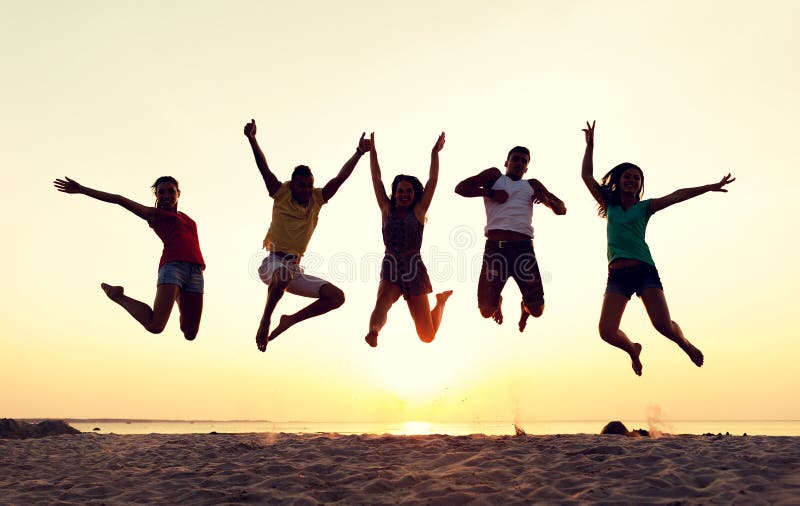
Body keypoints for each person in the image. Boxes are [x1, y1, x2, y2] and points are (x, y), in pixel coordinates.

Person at [580, 120, 735, 376]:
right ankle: (633, 350)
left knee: (662, 325)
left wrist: (709, 187)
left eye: (636, 178)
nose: (632, 180)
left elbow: (677, 194)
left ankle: (685, 343)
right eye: (627, 176)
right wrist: (590, 145)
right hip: (617, 275)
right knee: (606, 332)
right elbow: (586, 176)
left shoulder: (645, 207)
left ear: (640, 185)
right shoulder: (609, 206)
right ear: (618, 181)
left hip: (644, 271)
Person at [244, 119, 370, 351]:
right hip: (272, 263)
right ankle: (265, 321)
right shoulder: (280, 192)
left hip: (294, 269)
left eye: (309, 184)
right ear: (292, 184)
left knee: (336, 297)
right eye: (301, 185)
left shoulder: (317, 199)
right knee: (281, 274)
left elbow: (339, 179)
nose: (305, 189)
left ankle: (290, 320)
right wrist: (253, 140)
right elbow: (264, 168)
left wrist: (359, 153)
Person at [53, 176, 205, 340]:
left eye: (171, 191)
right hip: (173, 268)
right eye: (161, 192)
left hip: (196, 272)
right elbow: (118, 199)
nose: (166, 195)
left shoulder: (187, 219)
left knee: (190, 333)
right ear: (156, 196)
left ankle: (176, 294)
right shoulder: (154, 214)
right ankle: (117, 295)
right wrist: (82, 189)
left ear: (178, 193)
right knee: (156, 326)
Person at [454, 145, 566, 331]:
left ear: (527, 168)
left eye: (524, 161)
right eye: (515, 159)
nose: (519, 163)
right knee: (485, 311)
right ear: (506, 162)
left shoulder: (532, 184)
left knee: (537, 310)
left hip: (523, 250)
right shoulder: (494, 176)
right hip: (496, 249)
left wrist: (546, 200)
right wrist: (489, 192)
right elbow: (460, 188)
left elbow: (562, 209)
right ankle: (497, 301)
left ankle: (525, 308)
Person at [364, 132, 453, 348]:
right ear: (394, 193)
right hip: (391, 265)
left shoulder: (420, 211)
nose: (404, 194)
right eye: (400, 191)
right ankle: (373, 332)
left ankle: (440, 303)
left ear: (415, 194)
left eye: (408, 191)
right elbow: (376, 179)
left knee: (427, 336)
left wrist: (434, 153)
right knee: (383, 301)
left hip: (414, 269)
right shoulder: (386, 209)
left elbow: (433, 180)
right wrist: (372, 152)